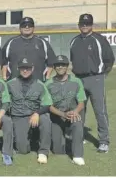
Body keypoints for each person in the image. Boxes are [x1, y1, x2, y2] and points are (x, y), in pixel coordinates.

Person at [69, 13, 114, 153]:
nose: (84, 26)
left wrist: (101, 75)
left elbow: (110, 59)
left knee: (100, 111)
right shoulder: (74, 41)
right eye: (82, 23)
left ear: (91, 25)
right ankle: (79, 136)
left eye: (87, 24)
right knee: (79, 110)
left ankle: (104, 141)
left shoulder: (99, 39)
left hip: (95, 79)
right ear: (78, 25)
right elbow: (72, 59)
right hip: (79, 79)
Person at [7, 57, 52, 164]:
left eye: (27, 68)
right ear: (18, 68)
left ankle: (43, 152)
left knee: (45, 119)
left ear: (32, 69)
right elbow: (6, 103)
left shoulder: (40, 84)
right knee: (23, 150)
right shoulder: (10, 84)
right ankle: (31, 138)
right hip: (19, 116)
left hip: (35, 115)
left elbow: (47, 103)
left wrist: (37, 113)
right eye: (22, 68)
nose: (25, 70)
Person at [45, 55, 86, 165]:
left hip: (72, 114)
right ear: (54, 67)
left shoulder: (76, 81)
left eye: (63, 64)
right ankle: (66, 142)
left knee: (77, 123)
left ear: (67, 66)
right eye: (57, 65)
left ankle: (77, 155)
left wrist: (75, 111)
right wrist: (62, 114)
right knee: (58, 151)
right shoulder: (48, 84)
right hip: (57, 116)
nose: (60, 67)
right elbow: (49, 106)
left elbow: (81, 102)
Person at [1, 17, 56, 81]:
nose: (27, 27)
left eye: (30, 25)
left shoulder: (42, 42)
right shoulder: (11, 42)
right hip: (15, 83)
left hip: (37, 82)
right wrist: (5, 77)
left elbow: (51, 62)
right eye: (24, 25)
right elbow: (4, 63)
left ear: (33, 27)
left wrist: (47, 77)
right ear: (20, 28)